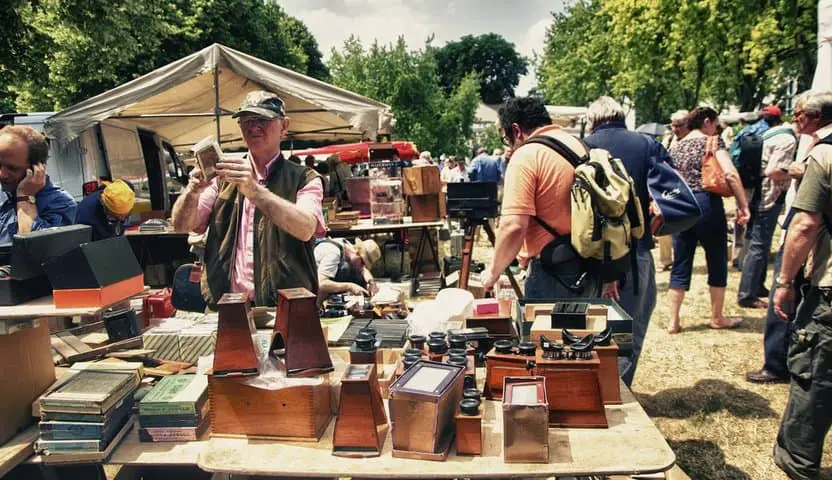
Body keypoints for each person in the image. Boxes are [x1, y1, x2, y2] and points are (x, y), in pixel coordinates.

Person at [171, 91, 326, 306]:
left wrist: (254, 190)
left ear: (284, 126)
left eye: (263, 120)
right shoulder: (221, 177)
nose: (254, 127)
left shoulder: (304, 178)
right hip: (227, 307)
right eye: (247, 121)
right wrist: (192, 191)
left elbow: (306, 228)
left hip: (284, 309)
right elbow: (181, 226)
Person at [584, 96, 671, 387]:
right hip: (636, 251)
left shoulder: (583, 146)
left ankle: (591, 391)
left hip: (591, 254)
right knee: (629, 329)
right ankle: (618, 393)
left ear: (593, 119)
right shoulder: (648, 144)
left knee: (588, 328)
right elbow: (668, 193)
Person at [748, 92, 832, 385]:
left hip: (811, 234)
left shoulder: (823, 147)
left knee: (784, 295)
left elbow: (807, 221)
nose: (794, 118)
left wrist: (800, 171)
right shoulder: (808, 141)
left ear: (817, 116)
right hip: (807, 230)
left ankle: (777, 363)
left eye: (799, 113)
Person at [481, 97, 600, 299]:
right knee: (581, 331)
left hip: (552, 271)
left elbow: (513, 227)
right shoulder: (581, 146)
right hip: (590, 263)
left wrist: (492, 273)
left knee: (546, 332)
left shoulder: (527, 155)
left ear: (517, 130)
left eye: (507, 139)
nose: (509, 146)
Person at [771, 90, 832, 480]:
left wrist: (784, 281)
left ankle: (798, 460)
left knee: (817, 374)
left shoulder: (825, 155)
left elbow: (805, 224)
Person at [667, 106, 750, 333]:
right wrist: (743, 205)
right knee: (716, 258)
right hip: (706, 203)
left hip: (681, 205)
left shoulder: (677, 146)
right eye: (715, 124)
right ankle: (717, 316)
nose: (716, 128)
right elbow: (730, 173)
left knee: (681, 261)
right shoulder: (712, 143)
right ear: (707, 121)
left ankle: (673, 321)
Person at [737, 108, 796, 309]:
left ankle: (756, 286)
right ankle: (747, 294)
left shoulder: (767, 132)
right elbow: (773, 170)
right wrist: (798, 171)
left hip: (756, 191)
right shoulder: (788, 139)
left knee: (756, 241)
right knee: (759, 245)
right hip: (768, 195)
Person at [0, 125, 76, 243]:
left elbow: (34, 251)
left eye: (12, 168)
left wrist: (25, 198)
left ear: (37, 168)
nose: (2, 174)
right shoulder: (4, 191)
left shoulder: (61, 204)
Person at [658, 110, 691, 270]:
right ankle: (665, 260)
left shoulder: (693, 140)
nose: (676, 129)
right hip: (669, 188)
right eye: (674, 125)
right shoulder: (669, 140)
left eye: (679, 125)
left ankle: (681, 260)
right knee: (665, 225)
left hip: (688, 189)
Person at [315, 237, 381, 300]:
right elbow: (322, 284)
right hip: (312, 292)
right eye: (363, 263)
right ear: (357, 253)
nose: (363, 266)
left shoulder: (349, 247)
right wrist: (350, 286)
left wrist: (371, 283)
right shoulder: (333, 253)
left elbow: (363, 269)